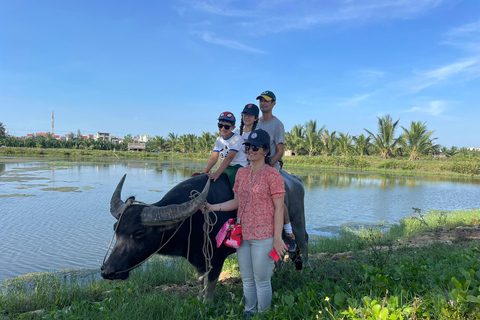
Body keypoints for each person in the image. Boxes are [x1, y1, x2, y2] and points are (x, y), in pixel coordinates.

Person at [204, 129, 287, 317]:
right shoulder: (241, 173)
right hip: (243, 235)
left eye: (255, 147)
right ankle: (249, 312)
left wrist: (277, 239)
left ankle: (263, 314)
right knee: (247, 279)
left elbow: (279, 209)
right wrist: (212, 207)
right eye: (248, 146)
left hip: (264, 236)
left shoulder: (272, 175)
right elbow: (237, 202)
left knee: (262, 279)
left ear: (266, 150)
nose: (250, 151)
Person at [256, 90, 296, 252]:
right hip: (254, 166)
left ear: (273, 103)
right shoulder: (255, 122)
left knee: (277, 199)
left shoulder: (277, 124)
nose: (263, 103)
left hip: (270, 167)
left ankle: (288, 233)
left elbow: (279, 151)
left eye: (266, 101)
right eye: (261, 100)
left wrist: (266, 166)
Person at [191, 111, 247, 188]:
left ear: (233, 128)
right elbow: (214, 157)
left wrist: (216, 174)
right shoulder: (219, 139)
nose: (223, 128)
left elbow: (229, 158)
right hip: (227, 167)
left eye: (226, 127)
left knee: (234, 188)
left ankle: (237, 199)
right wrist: (205, 170)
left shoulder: (237, 138)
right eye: (220, 125)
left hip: (238, 167)